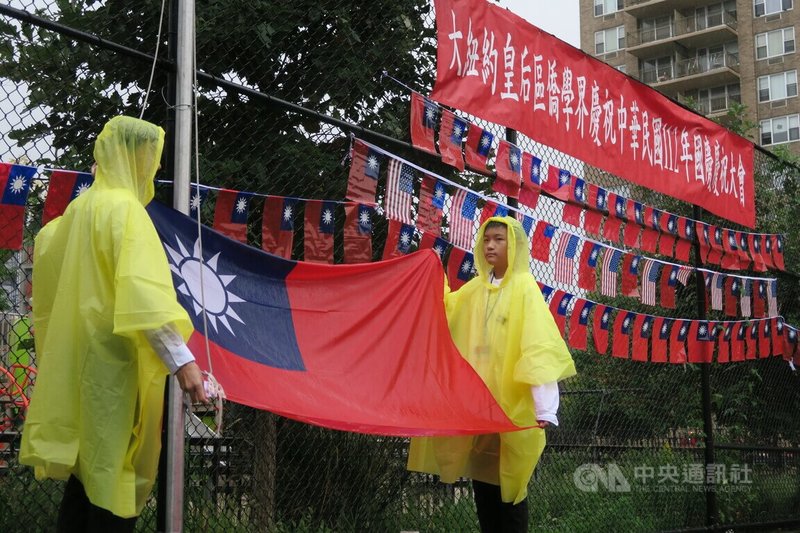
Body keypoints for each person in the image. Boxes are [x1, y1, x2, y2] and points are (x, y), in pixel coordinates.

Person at [20, 116, 208, 532]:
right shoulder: (125, 210)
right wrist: (185, 364)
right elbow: (144, 297)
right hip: (112, 373)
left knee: (83, 478)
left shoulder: (76, 210)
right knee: (111, 481)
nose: (155, 169)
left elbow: (48, 249)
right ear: (137, 158)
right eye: (152, 159)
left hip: (74, 368)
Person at [407, 216, 576, 533]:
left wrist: (544, 406)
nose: (490, 246)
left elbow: (537, 344)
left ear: (514, 246)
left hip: (510, 406)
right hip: (478, 404)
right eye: (486, 240)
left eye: (499, 239)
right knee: (483, 483)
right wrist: (431, 272)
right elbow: (447, 310)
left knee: (511, 486)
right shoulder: (475, 290)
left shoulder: (524, 288)